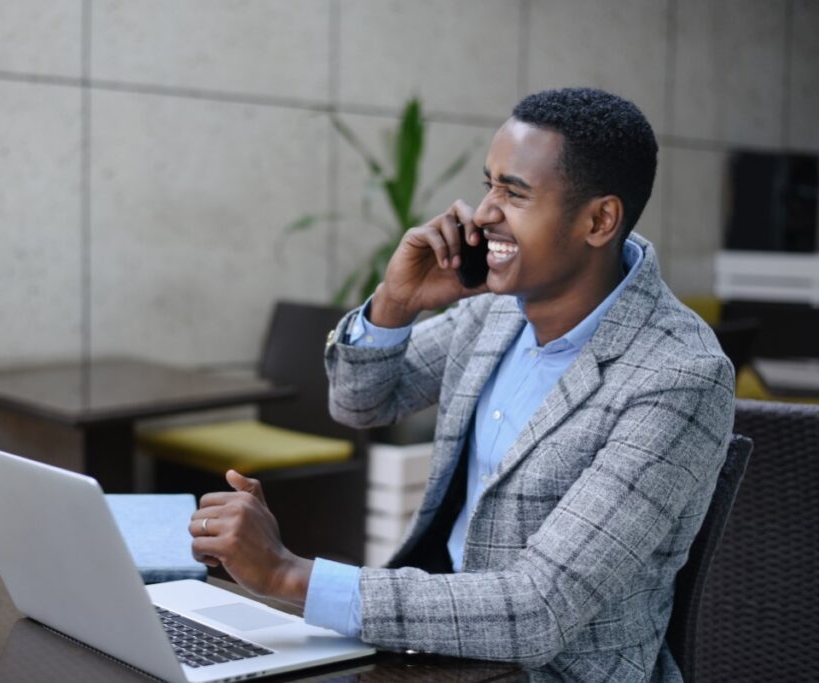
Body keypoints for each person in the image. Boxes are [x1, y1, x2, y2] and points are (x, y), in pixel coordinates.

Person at [189, 88, 735, 682]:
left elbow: (537, 610)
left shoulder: (677, 376)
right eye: (489, 185)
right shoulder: (498, 311)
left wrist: (288, 575)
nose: (483, 214)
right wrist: (394, 304)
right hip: (427, 650)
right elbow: (358, 404)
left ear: (598, 220)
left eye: (514, 193)